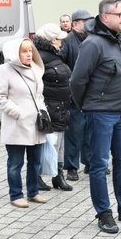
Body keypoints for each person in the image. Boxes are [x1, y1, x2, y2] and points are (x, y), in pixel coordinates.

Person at [70, 0, 121, 234]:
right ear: (106, 17)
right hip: (100, 113)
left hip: (120, 113)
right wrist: (85, 105)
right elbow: (77, 80)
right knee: (99, 165)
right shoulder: (93, 43)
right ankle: (103, 212)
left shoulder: (119, 40)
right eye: (120, 14)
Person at [0, 38, 48, 208]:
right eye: (24, 51)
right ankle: (16, 194)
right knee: (15, 163)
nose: (29, 54)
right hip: (17, 125)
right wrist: (16, 111)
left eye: (30, 50)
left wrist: (44, 111)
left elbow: (39, 96)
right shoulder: (4, 70)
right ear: (15, 53)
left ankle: (33, 192)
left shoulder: (36, 69)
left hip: (36, 124)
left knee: (35, 161)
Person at [33, 23, 73, 191]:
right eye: (58, 39)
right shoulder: (39, 58)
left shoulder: (55, 55)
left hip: (61, 105)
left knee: (60, 143)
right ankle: (37, 176)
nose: (61, 42)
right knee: (50, 143)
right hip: (50, 105)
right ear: (50, 40)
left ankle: (58, 176)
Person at [61, 9, 94, 181]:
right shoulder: (67, 41)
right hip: (74, 95)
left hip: (91, 94)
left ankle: (89, 163)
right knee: (74, 132)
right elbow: (62, 65)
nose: (88, 24)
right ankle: (72, 167)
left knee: (90, 131)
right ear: (74, 24)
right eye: (84, 21)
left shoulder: (92, 39)